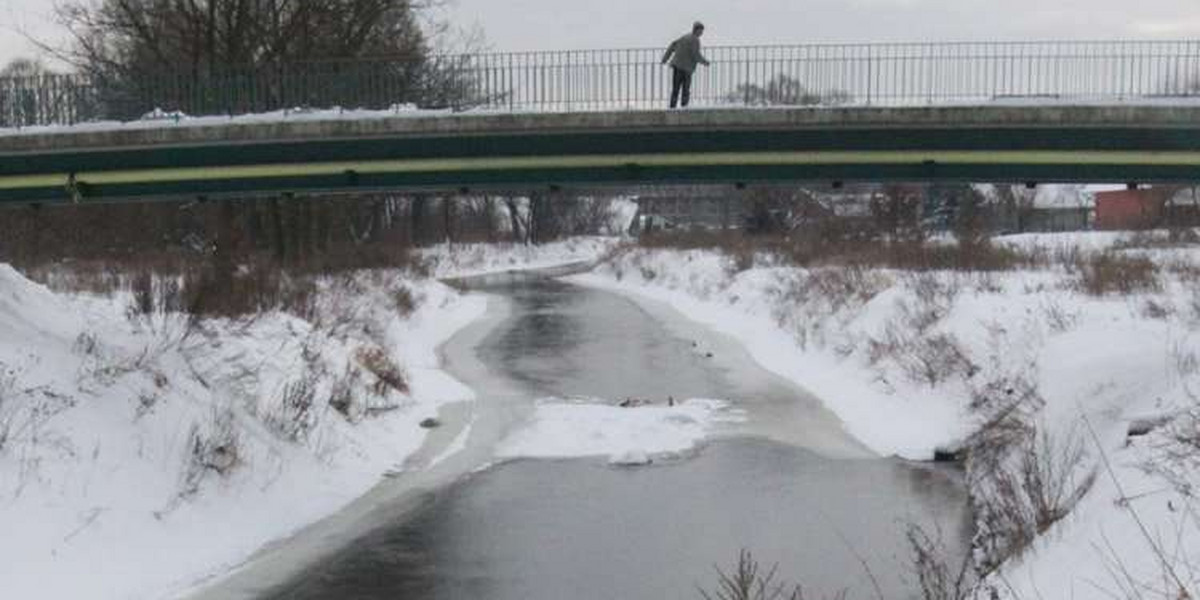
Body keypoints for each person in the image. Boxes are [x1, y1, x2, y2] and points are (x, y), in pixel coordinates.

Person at [662, 22, 710, 109]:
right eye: (701, 31)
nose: (702, 33)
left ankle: (672, 107)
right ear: (697, 30)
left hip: (677, 66)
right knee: (685, 89)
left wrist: (665, 59)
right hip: (686, 68)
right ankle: (684, 108)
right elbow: (696, 55)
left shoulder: (685, 37)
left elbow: (672, 45)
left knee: (675, 89)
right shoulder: (695, 40)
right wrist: (705, 62)